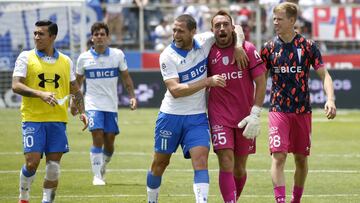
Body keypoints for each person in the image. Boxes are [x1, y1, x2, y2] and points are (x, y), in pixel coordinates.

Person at [146, 14, 248, 203]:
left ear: (193, 32)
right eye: (174, 30)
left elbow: (238, 28)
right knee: (160, 163)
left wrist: (239, 45)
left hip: (197, 118)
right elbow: (175, 90)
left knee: (201, 162)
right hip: (170, 116)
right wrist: (207, 82)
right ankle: (152, 200)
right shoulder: (167, 55)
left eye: (180, 31)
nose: (175, 34)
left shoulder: (204, 40)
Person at [260, 2, 336, 203]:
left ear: (292, 21)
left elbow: (324, 75)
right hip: (278, 109)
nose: (275, 22)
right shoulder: (268, 49)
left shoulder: (308, 46)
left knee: (301, 159)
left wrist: (330, 99)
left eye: (280, 19)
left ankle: (296, 200)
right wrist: (252, 108)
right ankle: (281, 201)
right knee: (279, 156)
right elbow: (259, 81)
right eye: (274, 19)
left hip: (303, 111)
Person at [12, 20, 88, 203]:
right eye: (35, 33)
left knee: (53, 168)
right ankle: (24, 197)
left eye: (41, 34)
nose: (37, 37)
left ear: (53, 37)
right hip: (32, 119)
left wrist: (83, 111)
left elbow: (75, 89)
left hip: (57, 121)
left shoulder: (66, 61)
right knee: (32, 163)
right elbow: (16, 85)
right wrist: (40, 94)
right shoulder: (25, 57)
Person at [207, 10, 267, 203]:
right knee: (225, 161)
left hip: (244, 118)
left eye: (226, 24)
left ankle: (235, 198)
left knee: (239, 168)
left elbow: (261, 82)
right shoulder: (207, 52)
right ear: (212, 30)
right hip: (219, 116)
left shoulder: (247, 49)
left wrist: (256, 113)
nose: (222, 29)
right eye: (217, 25)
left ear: (232, 28)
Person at [72, 22, 137, 186]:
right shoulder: (83, 58)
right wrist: (74, 101)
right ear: (92, 38)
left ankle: (103, 165)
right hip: (92, 104)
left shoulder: (117, 55)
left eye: (102, 34)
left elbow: (126, 77)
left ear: (107, 37)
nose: (99, 37)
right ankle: (97, 176)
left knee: (109, 142)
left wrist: (132, 96)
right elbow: (77, 83)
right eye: (96, 34)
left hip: (111, 105)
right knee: (97, 136)